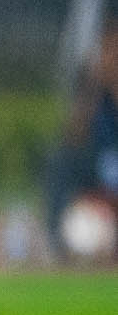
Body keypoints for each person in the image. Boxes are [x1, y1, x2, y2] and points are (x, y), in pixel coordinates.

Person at [45, 23, 118, 261]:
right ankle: (60, 244)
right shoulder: (95, 100)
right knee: (59, 159)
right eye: (107, 50)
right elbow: (73, 138)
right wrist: (92, 86)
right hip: (99, 182)